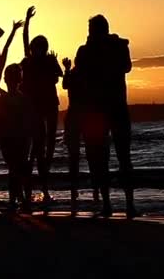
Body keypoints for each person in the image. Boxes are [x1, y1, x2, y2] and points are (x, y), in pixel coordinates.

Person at [75, 14, 136, 218]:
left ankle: (113, 204)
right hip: (107, 108)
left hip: (102, 109)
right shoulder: (114, 46)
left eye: (91, 30)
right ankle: (123, 204)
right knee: (117, 157)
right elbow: (126, 67)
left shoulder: (97, 49)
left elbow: (125, 67)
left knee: (107, 158)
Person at [20, 6, 63, 202]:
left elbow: (58, 76)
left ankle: (40, 185)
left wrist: (27, 21)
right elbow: (25, 41)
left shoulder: (40, 61)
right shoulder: (31, 61)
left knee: (45, 145)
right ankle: (37, 186)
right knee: (40, 146)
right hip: (38, 108)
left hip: (46, 107)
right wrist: (27, 21)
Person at [62, 56, 99, 212]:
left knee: (79, 153)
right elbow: (65, 85)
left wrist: (68, 70)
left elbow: (65, 85)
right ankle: (90, 188)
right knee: (86, 153)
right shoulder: (85, 74)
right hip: (81, 115)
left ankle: (81, 187)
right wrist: (68, 70)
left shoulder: (82, 74)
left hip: (79, 115)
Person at [0, 63, 33, 212]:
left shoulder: (5, 99)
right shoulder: (20, 99)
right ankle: (21, 199)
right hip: (16, 138)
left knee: (16, 169)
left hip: (14, 138)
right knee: (20, 169)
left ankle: (18, 200)